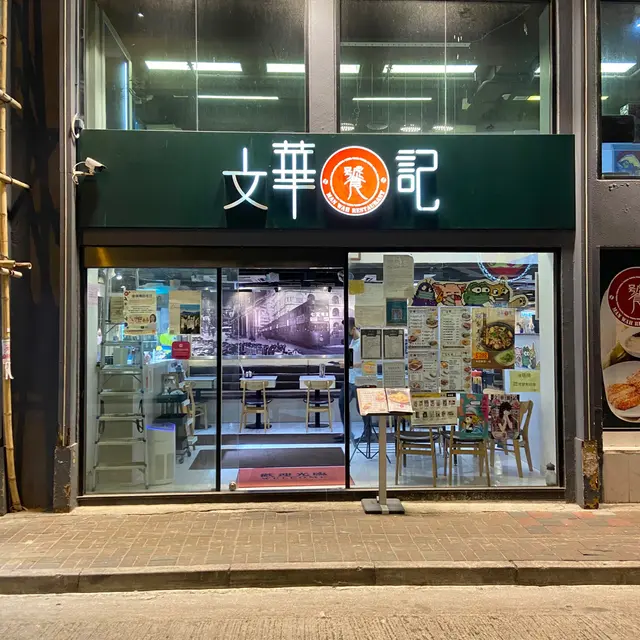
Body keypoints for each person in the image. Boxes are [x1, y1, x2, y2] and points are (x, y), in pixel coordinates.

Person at [339, 318, 372, 437]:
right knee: (342, 404)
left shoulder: (363, 343)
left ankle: (368, 434)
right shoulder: (352, 341)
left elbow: (367, 363)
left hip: (360, 381)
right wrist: (345, 363)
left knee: (362, 409)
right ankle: (347, 433)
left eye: (346, 330)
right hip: (349, 379)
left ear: (353, 329)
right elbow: (352, 360)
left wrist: (349, 364)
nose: (345, 332)